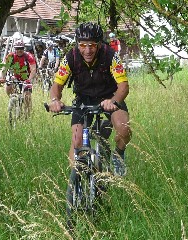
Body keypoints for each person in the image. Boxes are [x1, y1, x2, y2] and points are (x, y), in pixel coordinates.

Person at [48, 22, 131, 177]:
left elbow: (123, 86)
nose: (87, 50)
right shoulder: (71, 57)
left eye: (92, 45)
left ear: (99, 44)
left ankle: (118, 155)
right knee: (77, 141)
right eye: (83, 45)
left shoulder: (110, 55)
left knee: (124, 129)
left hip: (109, 96)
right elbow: (57, 85)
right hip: (83, 98)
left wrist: (113, 101)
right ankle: (76, 185)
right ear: (77, 44)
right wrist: (54, 100)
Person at [0, 38, 37, 116]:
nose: (19, 50)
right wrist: (1, 77)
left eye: (21, 48)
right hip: (15, 77)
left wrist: (29, 80)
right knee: (8, 86)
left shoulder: (28, 56)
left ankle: (27, 115)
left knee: (27, 96)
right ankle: (14, 101)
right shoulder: (11, 56)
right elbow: (4, 68)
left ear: (24, 48)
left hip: (27, 78)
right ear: (14, 49)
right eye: (17, 48)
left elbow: (33, 69)